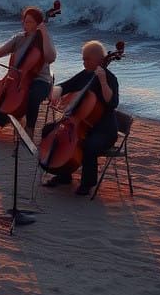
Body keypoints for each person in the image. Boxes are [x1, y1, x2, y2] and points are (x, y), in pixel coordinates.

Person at [42, 40, 120, 196]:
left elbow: (112, 103)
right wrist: (56, 93)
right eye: (83, 59)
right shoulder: (85, 75)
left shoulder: (110, 78)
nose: (84, 62)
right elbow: (67, 85)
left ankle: (87, 183)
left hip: (103, 130)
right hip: (83, 125)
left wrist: (103, 81)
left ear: (99, 60)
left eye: (87, 59)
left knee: (89, 145)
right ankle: (63, 175)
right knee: (49, 130)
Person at [0, 6, 56, 141]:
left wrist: (44, 32)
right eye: (24, 21)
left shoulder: (44, 40)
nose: (25, 25)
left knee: (33, 96)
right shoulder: (19, 38)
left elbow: (51, 57)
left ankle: (29, 129)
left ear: (38, 24)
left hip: (41, 80)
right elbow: (3, 50)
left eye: (29, 22)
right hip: (18, 79)